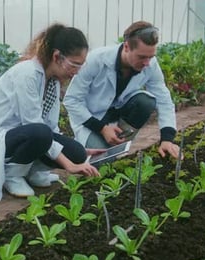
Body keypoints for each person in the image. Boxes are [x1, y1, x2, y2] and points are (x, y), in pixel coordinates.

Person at [0, 23, 104, 200]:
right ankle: (13, 174)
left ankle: (32, 171)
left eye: (80, 66)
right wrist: (68, 166)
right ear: (57, 56)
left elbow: (51, 127)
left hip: (26, 134)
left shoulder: (52, 80)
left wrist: (74, 151)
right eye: (74, 65)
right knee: (41, 133)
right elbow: (34, 125)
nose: (76, 73)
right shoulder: (27, 73)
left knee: (77, 153)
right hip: (1, 138)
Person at [63, 21, 181, 159]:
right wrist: (102, 128)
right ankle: (99, 145)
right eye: (142, 57)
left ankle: (119, 142)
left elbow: (164, 100)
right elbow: (71, 100)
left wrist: (167, 139)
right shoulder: (95, 60)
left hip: (118, 114)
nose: (147, 63)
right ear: (126, 47)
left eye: (151, 56)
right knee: (101, 163)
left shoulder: (150, 64)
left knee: (145, 102)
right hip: (92, 119)